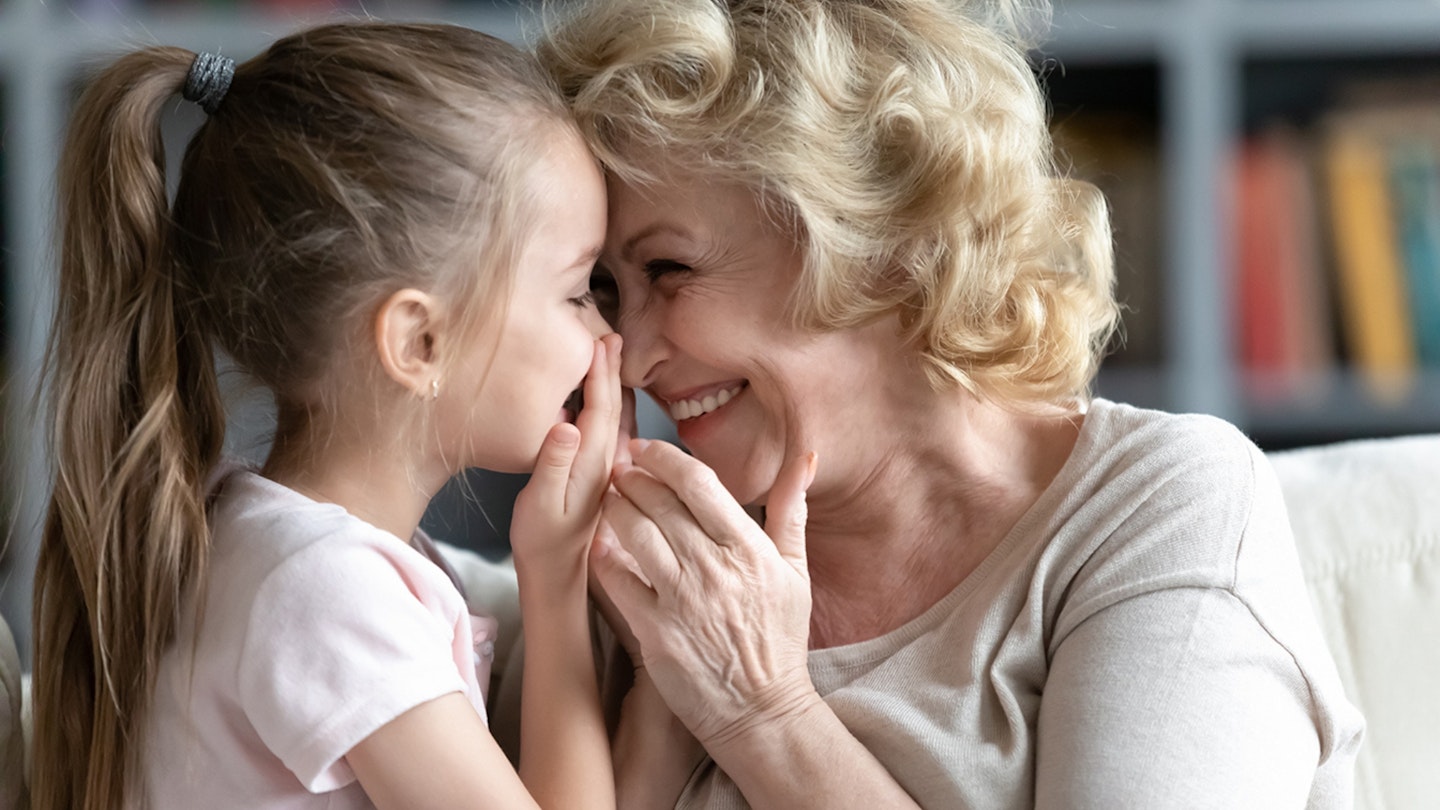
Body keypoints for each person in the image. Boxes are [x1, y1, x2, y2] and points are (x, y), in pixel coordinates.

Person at [531, 0, 1367, 807]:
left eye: (669, 271)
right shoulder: (648, 568)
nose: (629, 357)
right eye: (603, 289)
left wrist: (762, 714)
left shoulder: (1157, 508)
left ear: (884, 247)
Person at [32, 21, 621, 810]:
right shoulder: (328, 595)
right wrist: (555, 588)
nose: (607, 336)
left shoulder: (285, 549)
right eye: (579, 290)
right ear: (419, 341)